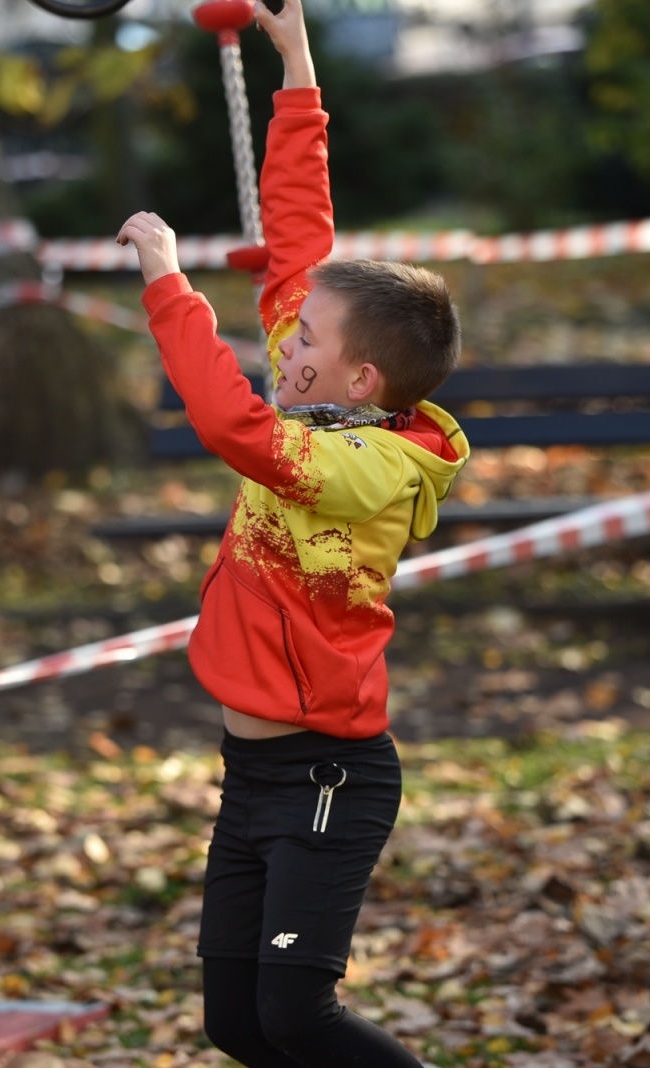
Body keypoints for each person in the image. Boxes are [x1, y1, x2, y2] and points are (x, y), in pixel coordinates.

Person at [115, 2, 469, 1063]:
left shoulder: (361, 464)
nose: (283, 342)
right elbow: (302, 231)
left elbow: (230, 425)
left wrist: (168, 284)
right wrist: (298, 64)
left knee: (294, 1019)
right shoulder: (324, 388)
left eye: (302, 337)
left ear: (360, 377)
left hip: (329, 778)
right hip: (252, 773)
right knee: (236, 1025)